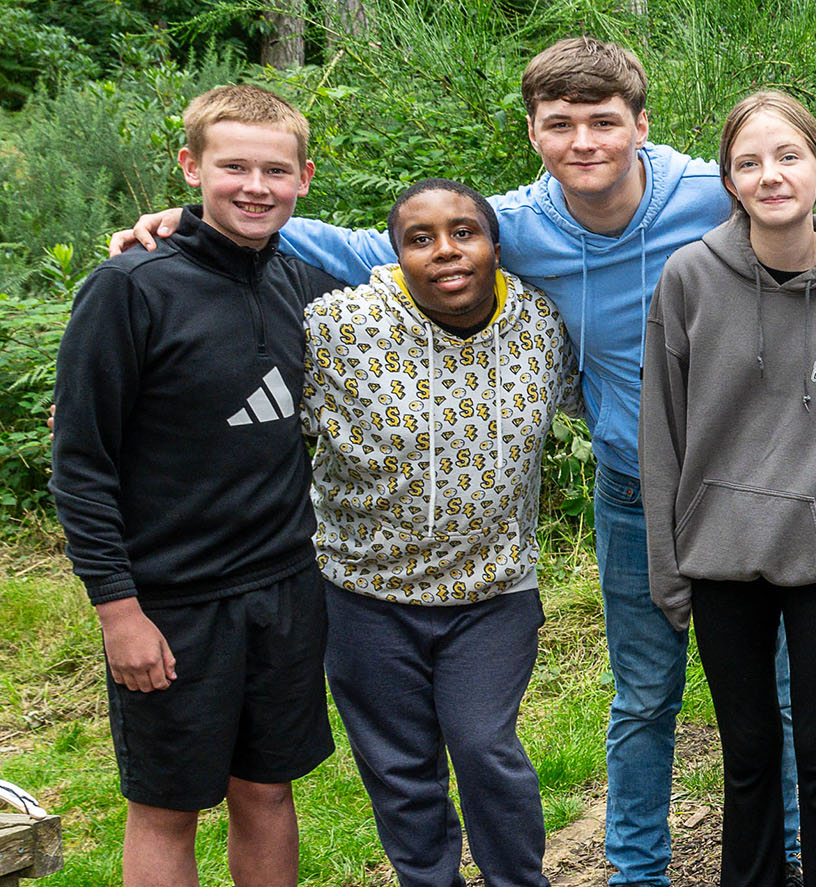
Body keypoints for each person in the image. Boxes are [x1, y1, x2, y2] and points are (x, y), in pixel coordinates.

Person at [111, 39, 816, 887]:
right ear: (534, 134)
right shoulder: (512, 227)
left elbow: (800, 204)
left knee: (790, 706)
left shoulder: (709, 188)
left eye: (604, 121)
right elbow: (363, 244)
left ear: (641, 125)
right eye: (560, 124)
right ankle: (639, 870)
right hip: (640, 490)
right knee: (645, 698)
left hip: (781, 492)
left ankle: (795, 856)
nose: (584, 141)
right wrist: (189, 224)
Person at [51, 84, 343, 887]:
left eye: (275, 170)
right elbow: (81, 463)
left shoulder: (308, 288)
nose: (257, 186)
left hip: (285, 588)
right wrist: (118, 612)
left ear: (304, 177)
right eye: (234, 167)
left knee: (266, 788)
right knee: (167, 805)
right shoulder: (129, 289)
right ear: (191, 167)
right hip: (172, 600)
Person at [640, 89, 816, 887]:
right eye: (748, 163)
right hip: (720, 552)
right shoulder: (689, 277)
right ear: (729, 182)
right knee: (748, 748)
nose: (770, 175)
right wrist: (669, 567)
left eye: (788, 157)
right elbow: (663, 434)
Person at [303, 178, 577, 887]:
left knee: (485, 746)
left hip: (493, 590)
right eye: (420, 239)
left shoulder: (544, 324)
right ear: (398, 254)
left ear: (494, 244)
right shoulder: (337, 325)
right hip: (364, 594)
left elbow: (620, 386)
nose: (446, 251)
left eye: (465, 231)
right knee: (401, 768)